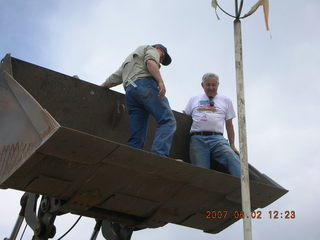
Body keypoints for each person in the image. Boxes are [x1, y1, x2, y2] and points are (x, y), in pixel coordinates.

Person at [101, 44, 176, 157]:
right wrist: (160, 82)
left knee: (137, 135)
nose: (160, 61)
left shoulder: (129, 60)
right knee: (168, 120)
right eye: (162, 57)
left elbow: (114, 78)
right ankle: (159, 156)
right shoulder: (151, 49)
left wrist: (101, 87)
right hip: (145, 86)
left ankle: (132, 158)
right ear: (159, 49)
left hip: (131, 93)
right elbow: (150, 62)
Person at [184, 73, 241, 177]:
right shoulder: (194, 99)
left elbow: (229, 125)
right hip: (197, 139)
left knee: (232, 158)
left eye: (213, 85)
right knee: (201, 172)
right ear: (202, 85)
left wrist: (232, 144)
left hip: (217, 139)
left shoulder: (226, 100)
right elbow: (185, 117)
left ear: (217, 85)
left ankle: (243, 187)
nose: (211, 88)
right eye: (208, 85)